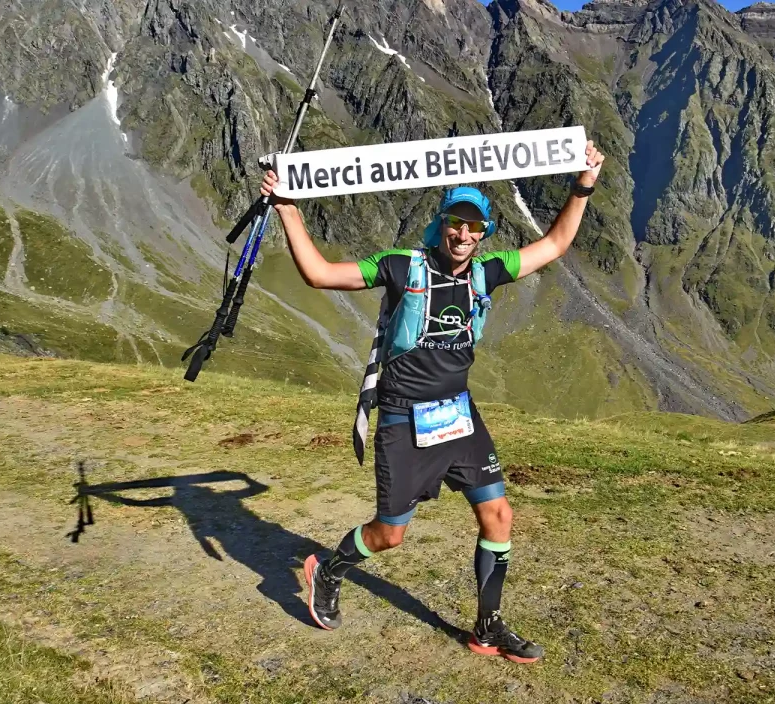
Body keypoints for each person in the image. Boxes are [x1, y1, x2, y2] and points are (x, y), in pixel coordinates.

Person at [258, 140, 605, 663]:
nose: (464, 236)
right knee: (389, 536)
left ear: (484, 232)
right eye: (456, 224)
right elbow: (321, 274)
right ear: (441, 222)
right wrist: (287, 208)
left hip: (459, 416)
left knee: (498, 515)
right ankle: (328, 569)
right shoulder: (402, 266)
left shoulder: (488, 272)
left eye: (475, 227)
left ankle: (487, 628)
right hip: (404, 419)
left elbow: (554, 245)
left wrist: (583, 184)